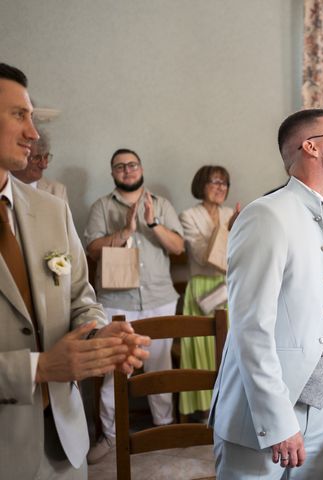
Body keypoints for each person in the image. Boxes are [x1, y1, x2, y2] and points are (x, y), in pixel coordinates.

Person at [0, 63, 150, 479]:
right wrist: (39, 368)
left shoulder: (51, 209)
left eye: (32, 116)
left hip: (64, 443)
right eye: (19, 115)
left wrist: (96, 335)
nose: (33, 133)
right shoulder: (101, 207)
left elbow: (80, 296)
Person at [210, 108, 323, 479]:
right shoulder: (266, 214)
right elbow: (250, 326)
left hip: (322, 406)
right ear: (310, 147)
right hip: (265, 414)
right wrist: (278, 421)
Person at [84, 148, 185, 464]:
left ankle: (163, 431)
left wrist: (152, 224)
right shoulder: (101, 206)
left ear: (141, 168)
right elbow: (92, 250)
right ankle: (111, 437)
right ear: (112, 172)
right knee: (114, 370)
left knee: (160, 369)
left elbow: (179, 247)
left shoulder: (162, 204)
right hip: (116, 302)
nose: (127, 170)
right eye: (119, 166)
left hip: (160, 298)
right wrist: (125, 232)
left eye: (132, 164)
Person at [178, 165, 239, 417]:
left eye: (224, 183)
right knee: (202, 348)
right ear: (201, 185)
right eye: (214, 181)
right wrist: (228, 229)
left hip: (229, 287)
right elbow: (204, 257)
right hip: (201, 287)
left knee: (231, 347)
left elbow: (238, 253)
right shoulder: (188, 215)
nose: (220, 187)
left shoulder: (229, 213)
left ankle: (230, 405)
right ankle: (204, 411)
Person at [12, 127, 69, 202]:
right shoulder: (3, 186)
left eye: (46, 157)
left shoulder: (57, 191)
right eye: (37, 158)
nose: (44, 165)